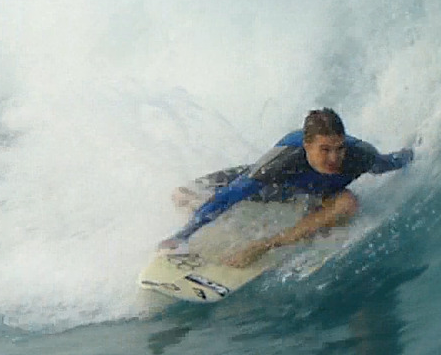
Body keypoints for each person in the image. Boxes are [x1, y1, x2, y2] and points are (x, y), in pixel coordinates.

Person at [158, 108, 413, 267]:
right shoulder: (281, 162)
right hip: (269, 190)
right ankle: (204, 235)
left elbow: (386, 163)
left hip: (315, 199)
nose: (334, 158)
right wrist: (182, 235)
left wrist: (411, 153)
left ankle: (262, 245)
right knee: (180, 196)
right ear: (306, 145)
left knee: (348, 204)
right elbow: (229, 195)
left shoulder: (360, 156)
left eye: (339, 148)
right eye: (325, 150)